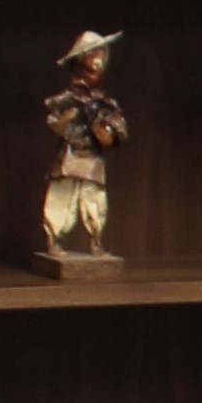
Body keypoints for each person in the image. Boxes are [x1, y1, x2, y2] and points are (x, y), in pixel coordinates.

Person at [39, 29, 128, 269]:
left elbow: (118, 125)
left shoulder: (104, 100)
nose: (99, 58)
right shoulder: (69, 97)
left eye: (102, 52)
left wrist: (111, 129)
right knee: (62, 197)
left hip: (92, 155)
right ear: (83, 58)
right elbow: (53, 117)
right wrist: (64, 123)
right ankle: (54, 240)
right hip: (71, 153)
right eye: (94, 53)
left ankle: (96, 242)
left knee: (95, 200)